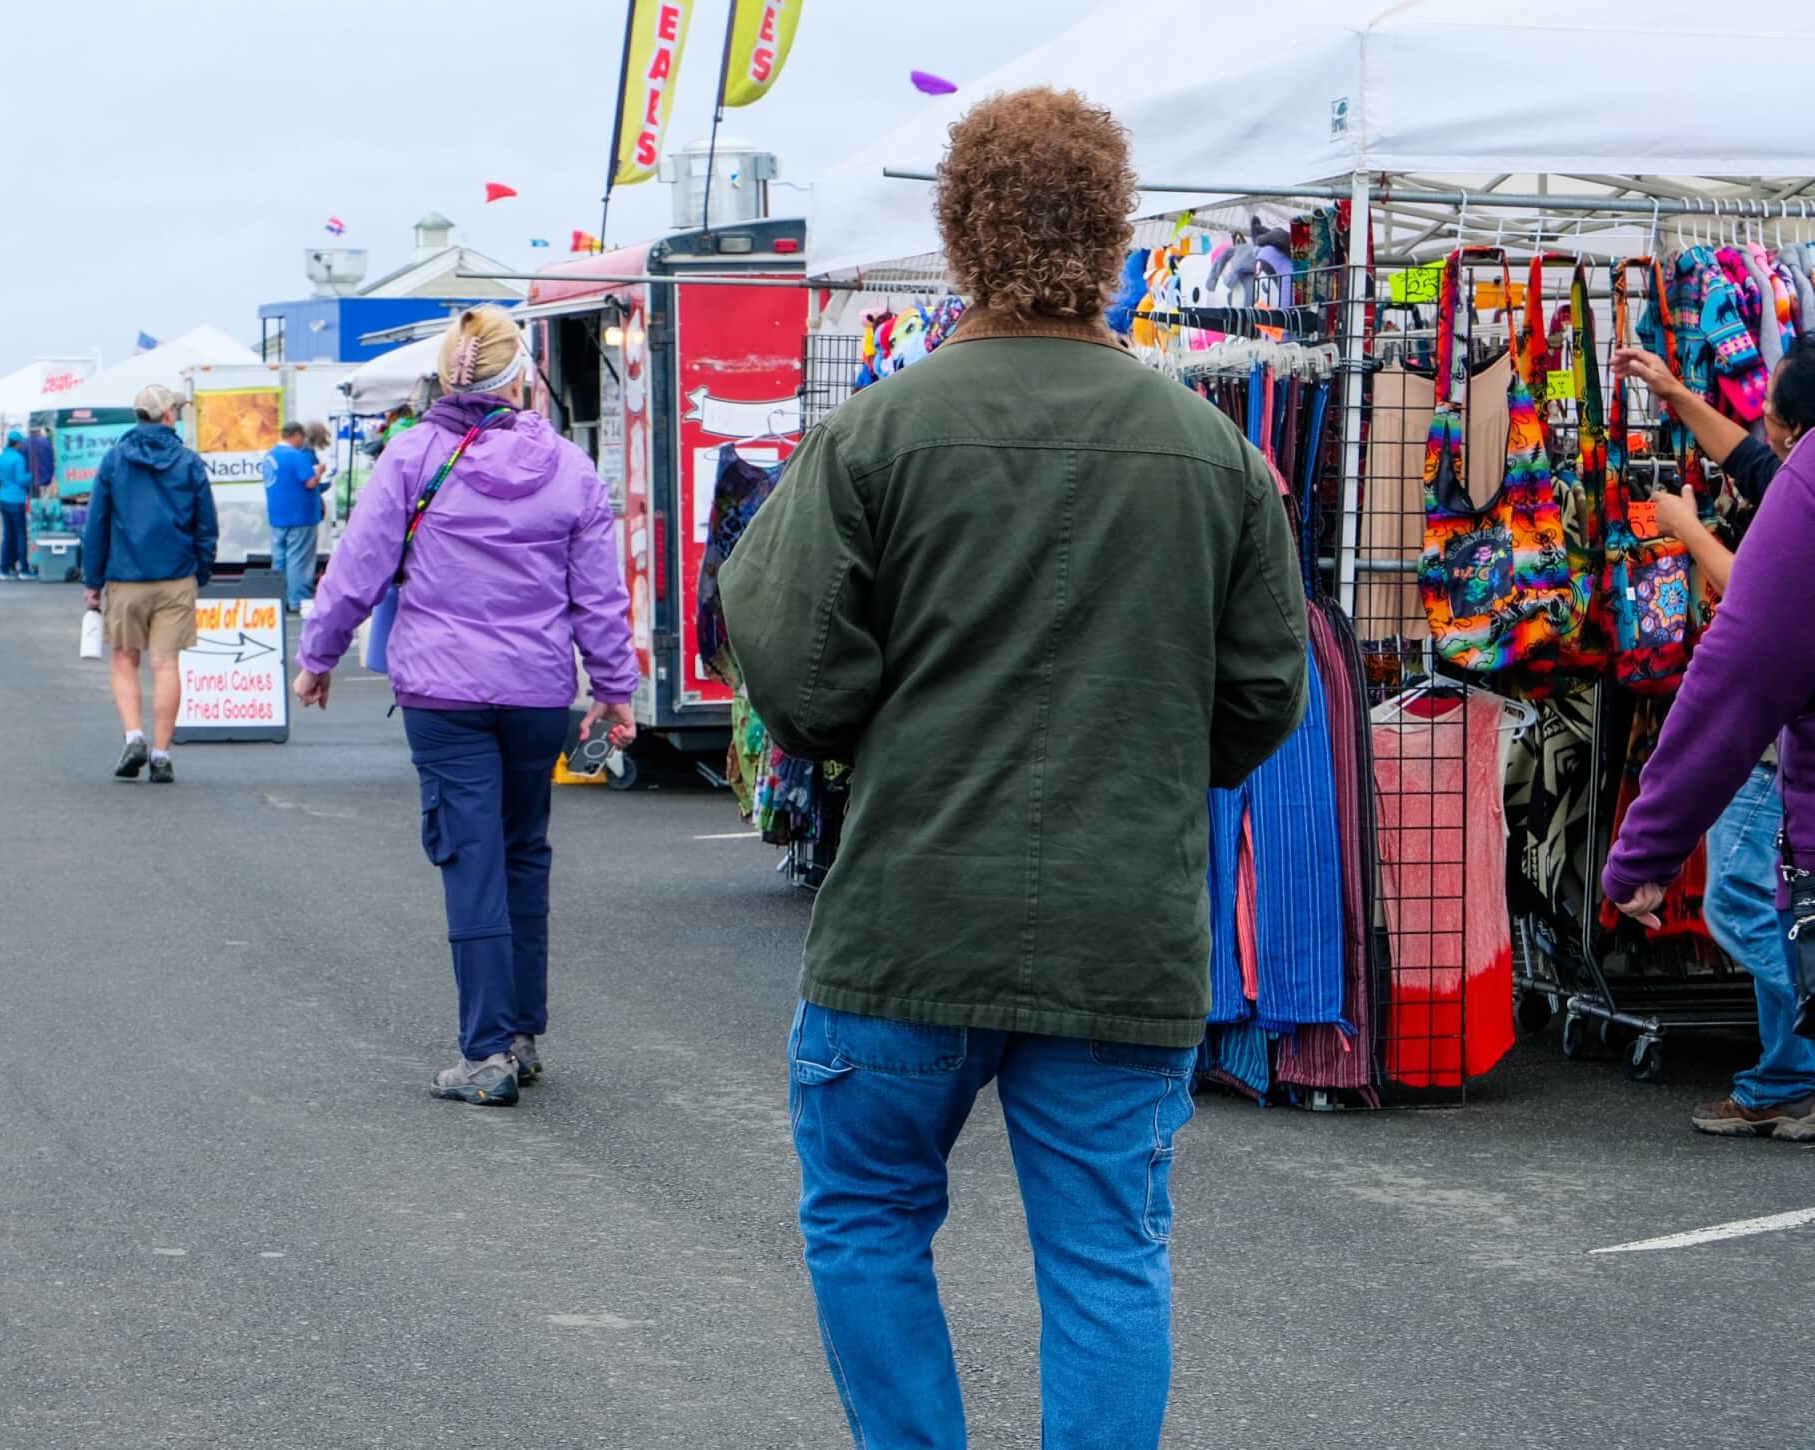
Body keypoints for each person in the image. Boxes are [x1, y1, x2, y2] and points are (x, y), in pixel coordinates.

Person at [719, 88, 1309, 1449]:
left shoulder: (874, 434)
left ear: (958, 233)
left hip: (908, 914)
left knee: (867, 1217)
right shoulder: (1216, 455)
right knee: (1106, 1256)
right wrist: (1148, 759)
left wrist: (890, 730)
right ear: (1115, 235)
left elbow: (794, 678)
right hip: (1122, 922)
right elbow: (1265, 692)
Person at [291, 304, 639, 1107]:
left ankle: (484, 1055)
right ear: (519, 379)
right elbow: (599, 599)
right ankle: (520, 1031)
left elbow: (358, 568)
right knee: (524, 851)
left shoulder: (412, 456)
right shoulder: (569, 468)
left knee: (469, 856)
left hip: (442, 692)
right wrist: (614, 689)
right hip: (537, 691)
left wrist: (318, 659)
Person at [1606, 335, 1815, 1141]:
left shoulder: (1801, 489)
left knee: (1738, 900)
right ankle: (1784, 1075)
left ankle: (1794, 1066)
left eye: (1772, 420)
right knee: (1761, 901)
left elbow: (1743, 653)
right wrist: (1674, 392)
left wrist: (1687, 531)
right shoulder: (1789, 470)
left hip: (1765, 748)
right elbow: (1756, 460)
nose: (1760, 432)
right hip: (1773, 746)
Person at [80, 384, 217, 785]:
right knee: (166, 663)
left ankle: (133, 735)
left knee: (124, 657)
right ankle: (161, 754)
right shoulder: (189, 462)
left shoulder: (115, 460)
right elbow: (206, 525)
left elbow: (97, 525)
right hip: (176, 576)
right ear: (169, 415)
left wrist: (92, 581)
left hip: (126, 576)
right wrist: (201, 571)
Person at [262, 421, 324, 611]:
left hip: (277, 515)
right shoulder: (296, 456)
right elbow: (310, 482)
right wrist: (319, 472)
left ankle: (278, 599)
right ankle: (298, 600)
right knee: (299, 559)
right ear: (296, 434)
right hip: (300, 516)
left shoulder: (270, 455)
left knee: (279, 559)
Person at [0, 429, 34, 579]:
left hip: (3, 498)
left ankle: (4, 570)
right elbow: (21, 480)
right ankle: (24, 569)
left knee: (8, 535)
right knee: (21, 535)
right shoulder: (18, 459)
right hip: (16, 500)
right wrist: (33, 475)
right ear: (17, 443)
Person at [27, 426, 55, 496]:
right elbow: (51, 460)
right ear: (39, 431)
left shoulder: (24, 443)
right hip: (45, 481)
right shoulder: (46, 442)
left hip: (30, 482)